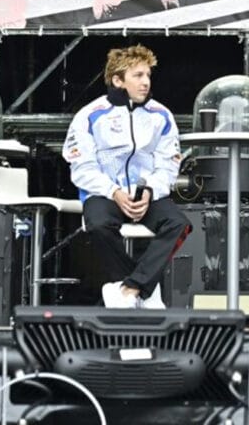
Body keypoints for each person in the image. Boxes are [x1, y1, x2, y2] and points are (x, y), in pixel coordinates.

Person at [63, 45, 190, 309]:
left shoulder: (161, 115)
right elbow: (82, 168)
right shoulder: (89, 115)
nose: (146, 82)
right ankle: (143, 289)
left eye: (148, 75)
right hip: (105, 193)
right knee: (98, 225)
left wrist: (150, 191)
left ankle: (131, 288)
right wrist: (114, 192)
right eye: (138, 75)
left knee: (179, 224)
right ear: (118, 80)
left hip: (146, 195)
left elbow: (168, 165)